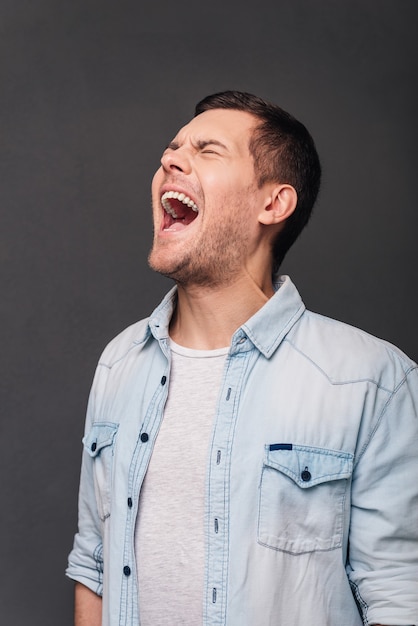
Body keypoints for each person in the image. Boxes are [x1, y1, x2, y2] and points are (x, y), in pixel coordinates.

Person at [66, 91, 418, 626]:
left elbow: (399, 592)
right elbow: (93, 564)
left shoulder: (373, 381)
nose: (170, 160)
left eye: (207, 150)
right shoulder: (120, 363)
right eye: (172, 147)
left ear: (273, 204)